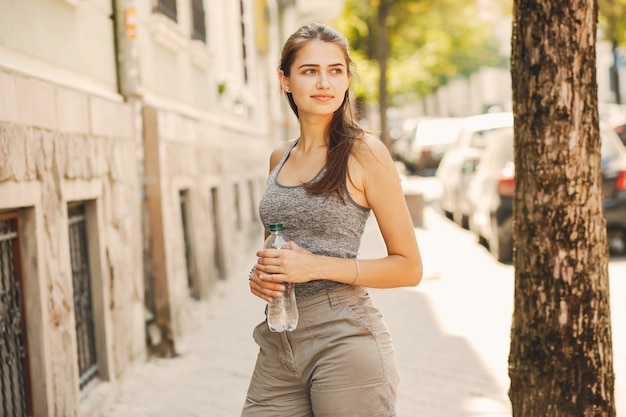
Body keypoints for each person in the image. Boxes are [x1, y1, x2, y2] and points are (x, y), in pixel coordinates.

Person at [242, 22, 423, 417]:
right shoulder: (279, 156)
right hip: (279, 337)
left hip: (345, 337)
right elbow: (275, 244)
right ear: (285, 80)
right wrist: (261, 276)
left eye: (335, 70)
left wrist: (313, 267)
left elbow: (409, 268)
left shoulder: (365, 154)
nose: (324, 82)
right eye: (309, 71)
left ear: (346, 79)